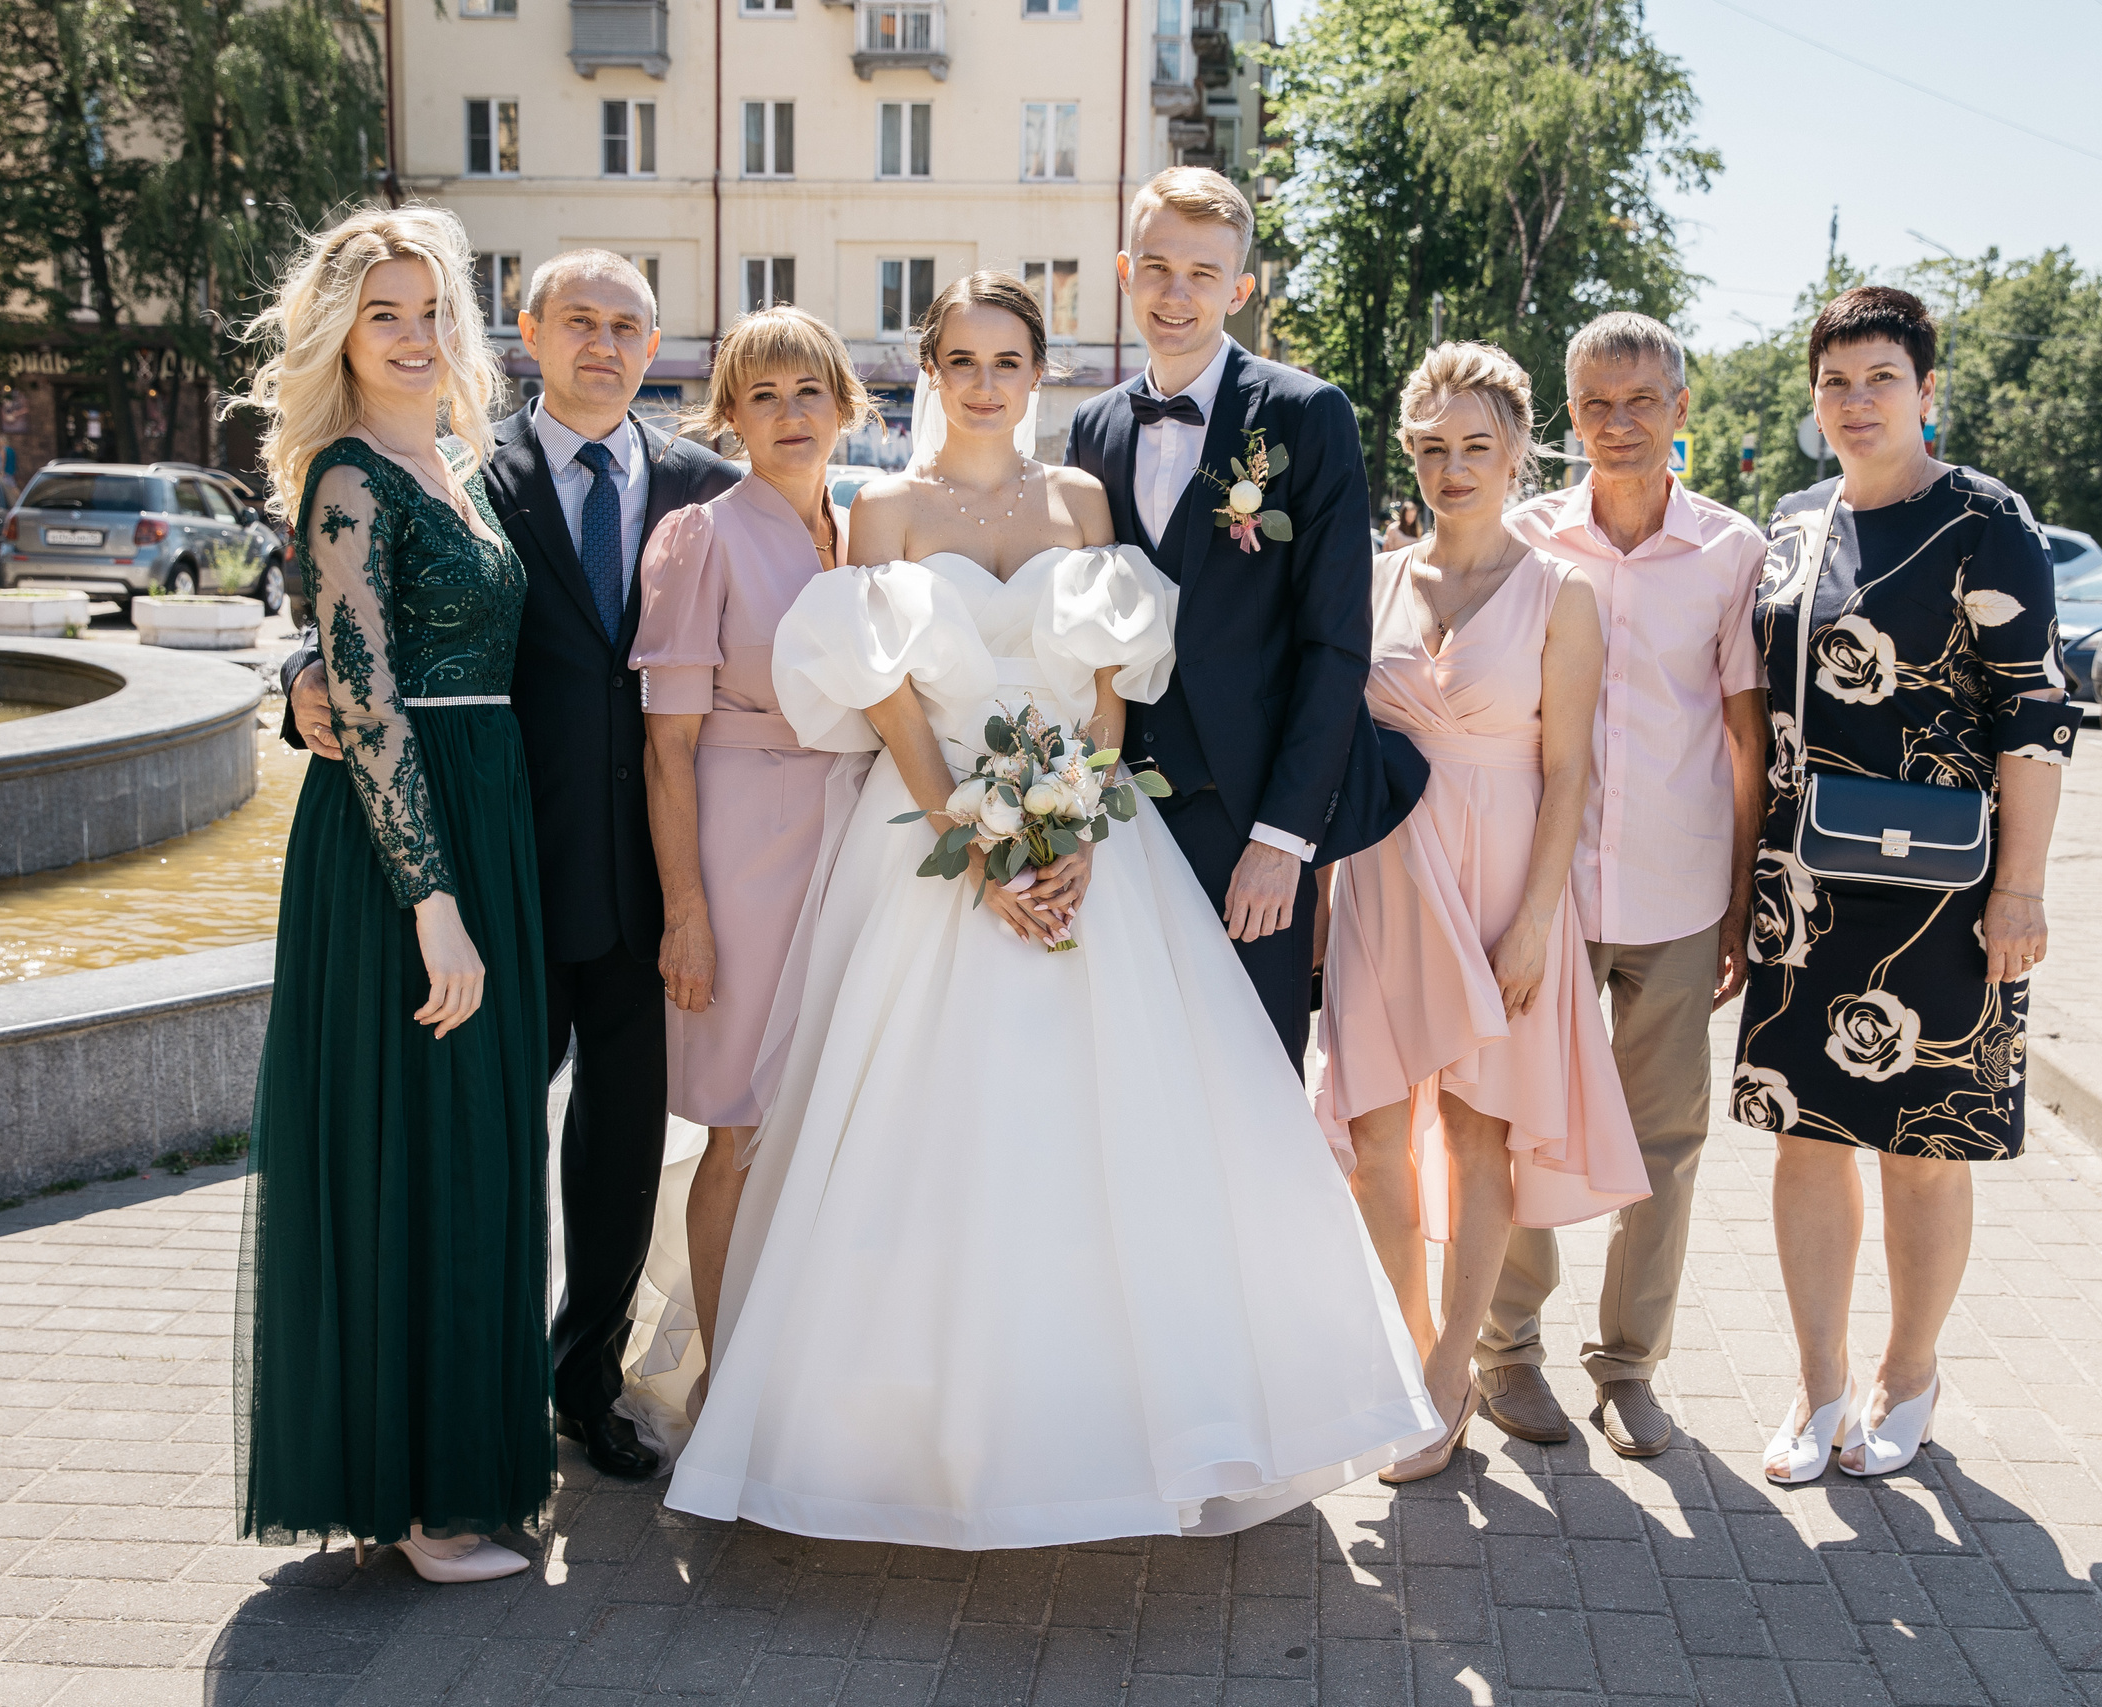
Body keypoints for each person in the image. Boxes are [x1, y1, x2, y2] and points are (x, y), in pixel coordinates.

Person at [664, 272, 1439, 1548]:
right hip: (935, 832)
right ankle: (901, 1439)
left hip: (1090, 840)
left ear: (1037, 372)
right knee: (923, 1132)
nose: (982, 383)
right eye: (959, 361)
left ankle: (1120, 1421)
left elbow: (1107, 681)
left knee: (1121, 1131)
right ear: (929, 371)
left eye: (1006, 361)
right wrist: (967, 831)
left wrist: (1076, 820)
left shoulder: (1078, 497)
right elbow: (887, 695)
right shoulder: (885, 509)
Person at [285, 249, 741, 1481]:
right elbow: (348, 613)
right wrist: (299, 685)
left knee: (621, 1147)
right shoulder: (460, 464)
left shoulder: (710, 487)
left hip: (655, 880)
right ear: (530, 330)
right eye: (578, 319)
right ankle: (464, 1392)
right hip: (499, 869)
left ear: (656, 347)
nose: (604, 343)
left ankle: (581, 1380)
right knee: (481, 1145)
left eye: (628, 326)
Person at [237, 205, 547, 1581]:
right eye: (385, 315)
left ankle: (459, 1470)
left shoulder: (459, 464)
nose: (416, 336)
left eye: (431, 311)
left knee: (479, 1147)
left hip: (483, 815)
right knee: (421, 1151)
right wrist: (430, 895)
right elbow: (359, 688)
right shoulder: (351, 477)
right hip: (398, 846)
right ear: (341, 336)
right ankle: (422, 1502)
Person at [1738, 286, 2068, 1483]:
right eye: (1835, 381)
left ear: (1926, 392)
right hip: (1802, 879)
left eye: (1881, 378)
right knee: (1805, 1137)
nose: (1856, 400)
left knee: (1924, 1141)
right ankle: (1816, 1389)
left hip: (1949, 889)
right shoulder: (1790, 527)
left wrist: (2019, 892)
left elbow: (2036, 713)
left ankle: (1906, 1374)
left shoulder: (1984, 519)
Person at [1315, 342, 1647, 1484]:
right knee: (1369, 1136)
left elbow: (1570, 776)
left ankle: (1454, 1370)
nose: (1452, 469)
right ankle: (1404, 1354)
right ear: (1407, 453)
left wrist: (1537, 919)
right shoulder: (1368, 579)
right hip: (1383, 875)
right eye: (1430, 448)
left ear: (1516, 452)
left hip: (1505, 876)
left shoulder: (1565, 593)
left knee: (1477, 1130)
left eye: (1475, 447)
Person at [1477, 312, 1771, 1461]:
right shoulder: (1525, 540)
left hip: (1676, 887)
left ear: (1681, 410)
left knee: (1663, 1143)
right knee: (1517, 1126)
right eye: (1595, 404)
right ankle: (1507, 1353)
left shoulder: (1729, 551)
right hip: (1538, 890)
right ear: (1567, 417)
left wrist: (1741, 899)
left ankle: (1630, 1365)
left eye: (1641, 400)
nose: (1618, 424)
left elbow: (1746, 737)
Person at [1064, 167, 1427, 1066]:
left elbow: (1336, 642)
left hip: (1249, 822)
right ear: (1122, 272)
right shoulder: (1091, 430)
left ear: (1242, 286)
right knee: (1128, 1070)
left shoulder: (1308, 415)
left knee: (1253, 1075)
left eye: (1202, 272)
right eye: (1155, 267)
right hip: (1116, 818)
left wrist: (1282, 838)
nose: (1176, 294)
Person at [631, 306, 873, 1376]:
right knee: (739, 1125)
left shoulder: (873, 531)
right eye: (762, 394)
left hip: (858, 840)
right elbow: (664, 748)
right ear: (729, 414)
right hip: (741, 846)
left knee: (840, 1117)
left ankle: (812, 1372)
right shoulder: (702, 534)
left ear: (845, 407)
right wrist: (686, 911)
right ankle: (724, 1381)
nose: (788, 413)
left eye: (807, 391)